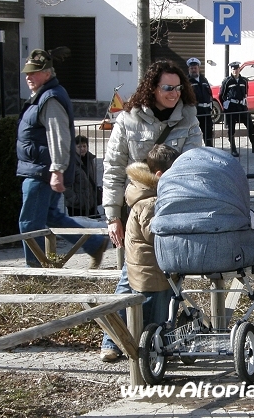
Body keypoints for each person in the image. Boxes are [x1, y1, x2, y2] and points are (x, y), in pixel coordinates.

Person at [100, 59, 203, 361]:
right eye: (167, 88)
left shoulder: (189, 120)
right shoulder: (128, 120)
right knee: (132, 271)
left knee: (169, 271)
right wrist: (111, 215)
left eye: (178, 87)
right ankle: (113, 338)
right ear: (153, 88)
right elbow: (113, 169)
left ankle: (157, 337)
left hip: (173, 206)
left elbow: (195, 164)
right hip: (137, 208)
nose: (174, 93)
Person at [16, 48, 109, 268]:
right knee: (51, 216)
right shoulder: (44, 96)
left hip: (41, 170)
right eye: (27, 73)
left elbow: (58, 136)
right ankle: (94, 244)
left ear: (47, 73)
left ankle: (36, 271)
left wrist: (57, 170)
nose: (28, 76)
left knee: (29, 224)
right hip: (40, 168)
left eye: (34, 73)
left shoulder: (50, 98)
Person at [124, 144, 180, 337]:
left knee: (159, 312)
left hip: (152, 267)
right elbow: (153, 233)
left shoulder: (147, 194)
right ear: (159, 175)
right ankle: (151, 352)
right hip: (151, 270)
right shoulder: (150, 202)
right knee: (154, 318)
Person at [219, 61, 254, 157]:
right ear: (231, 70)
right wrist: (225, 106)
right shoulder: (227, 81)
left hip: (242, 107)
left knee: (250, 126)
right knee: (232, 129)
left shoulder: (244, 81)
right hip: (232, 108)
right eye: (233, 69)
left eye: (236, 68)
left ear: (239, 69)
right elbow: (221, 95)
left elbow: (246, 93)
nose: (235, 70)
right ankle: (233, 148)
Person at [64, 135, 100, 217]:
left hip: (90, 203)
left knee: (97, 225)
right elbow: (66, 185)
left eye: (84, 146)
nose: (83, 149)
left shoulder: (90, 160)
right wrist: (75, 200)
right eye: (79, 146)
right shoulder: (71, 163)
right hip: (77, 205)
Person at [187, 57, 214, 147]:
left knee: (209, 134)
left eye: (195, 68)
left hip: (206, 112)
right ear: (189, 69)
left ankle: (210, 153)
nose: (193, 70)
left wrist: (211, 107)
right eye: (191, 68)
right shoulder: (187, 82)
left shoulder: (204, 80)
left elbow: (210, 94)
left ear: (198, 68)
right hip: (195, 113)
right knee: (194, 136)